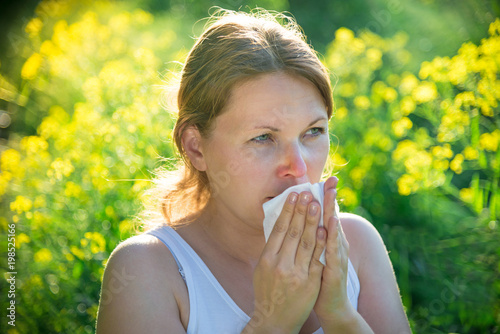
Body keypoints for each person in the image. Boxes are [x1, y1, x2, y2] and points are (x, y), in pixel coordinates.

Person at [95, 8, 411, 334]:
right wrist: (272, 323)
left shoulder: (357, 243)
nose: (298, 167)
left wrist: (340, 316)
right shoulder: (148, 272)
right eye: (263, 138)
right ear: (195, 147)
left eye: (313, 132)